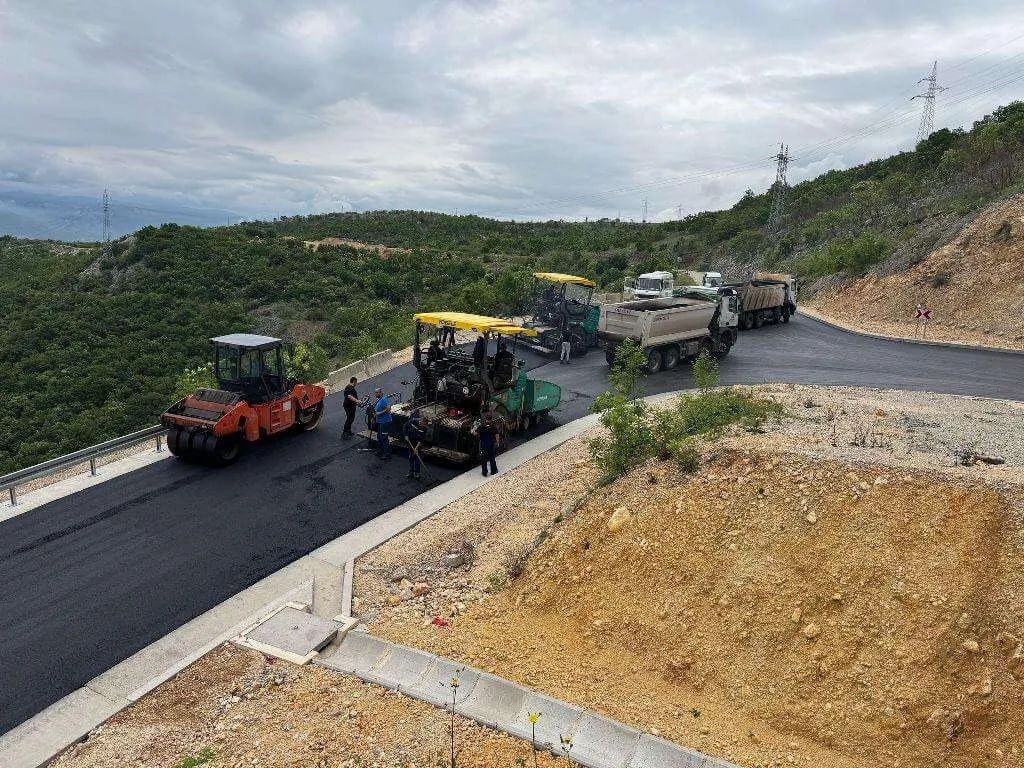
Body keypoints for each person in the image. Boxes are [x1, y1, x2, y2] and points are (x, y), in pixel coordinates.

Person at [473, 411, 500, 477]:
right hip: (491, 445)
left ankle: (484, 472)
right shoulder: (493, 426)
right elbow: (497, 434)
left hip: (484, 445)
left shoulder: (482, 426)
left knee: (484, 459)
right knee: (492, 458)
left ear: (486, 418)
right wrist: (497, 442)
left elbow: (475, 433)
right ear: (491, 419)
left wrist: (472, 431)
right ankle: (493, 471)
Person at [404, 414, 429, 480]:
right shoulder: (413, 421)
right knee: (411, 457)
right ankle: (411, 472)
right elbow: (405, 426)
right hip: (411, 440)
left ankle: (417, 473)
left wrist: (416, 448)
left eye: (425, 425)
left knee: (418, 458)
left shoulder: (424, 429)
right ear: (421, 421)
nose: (424, 426)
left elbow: (421, 440)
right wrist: (406, 435)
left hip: (418, 443)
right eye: (423, 424)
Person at [372, 387, 392, 458]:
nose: (376, 394)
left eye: (377, 392)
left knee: (384, 437)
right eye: (375, 392)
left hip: (385, 422)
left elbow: (389, 408)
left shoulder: (383, 399)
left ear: (381, 393)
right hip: (380, 422)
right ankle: (381, 450)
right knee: (379, 437)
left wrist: (380, 413)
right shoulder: (378, 400)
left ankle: (387, 454)